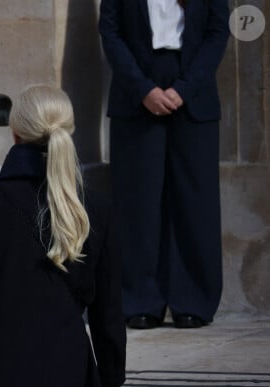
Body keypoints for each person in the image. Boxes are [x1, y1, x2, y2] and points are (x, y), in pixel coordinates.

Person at [0, 84, 126, 387]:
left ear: (15, 134)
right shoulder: (96, 208)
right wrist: (111, 377)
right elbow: (107, 313)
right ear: (68, 131)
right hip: (68, 366)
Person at [98, 0, 229, 329]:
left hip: (193, 94)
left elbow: (217, 33)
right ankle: (139, 300)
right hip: (136, 93)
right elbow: (110, 33)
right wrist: (144, 89)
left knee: (195, 202)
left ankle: (194, 300)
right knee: (137, 204)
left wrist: (184, 89)